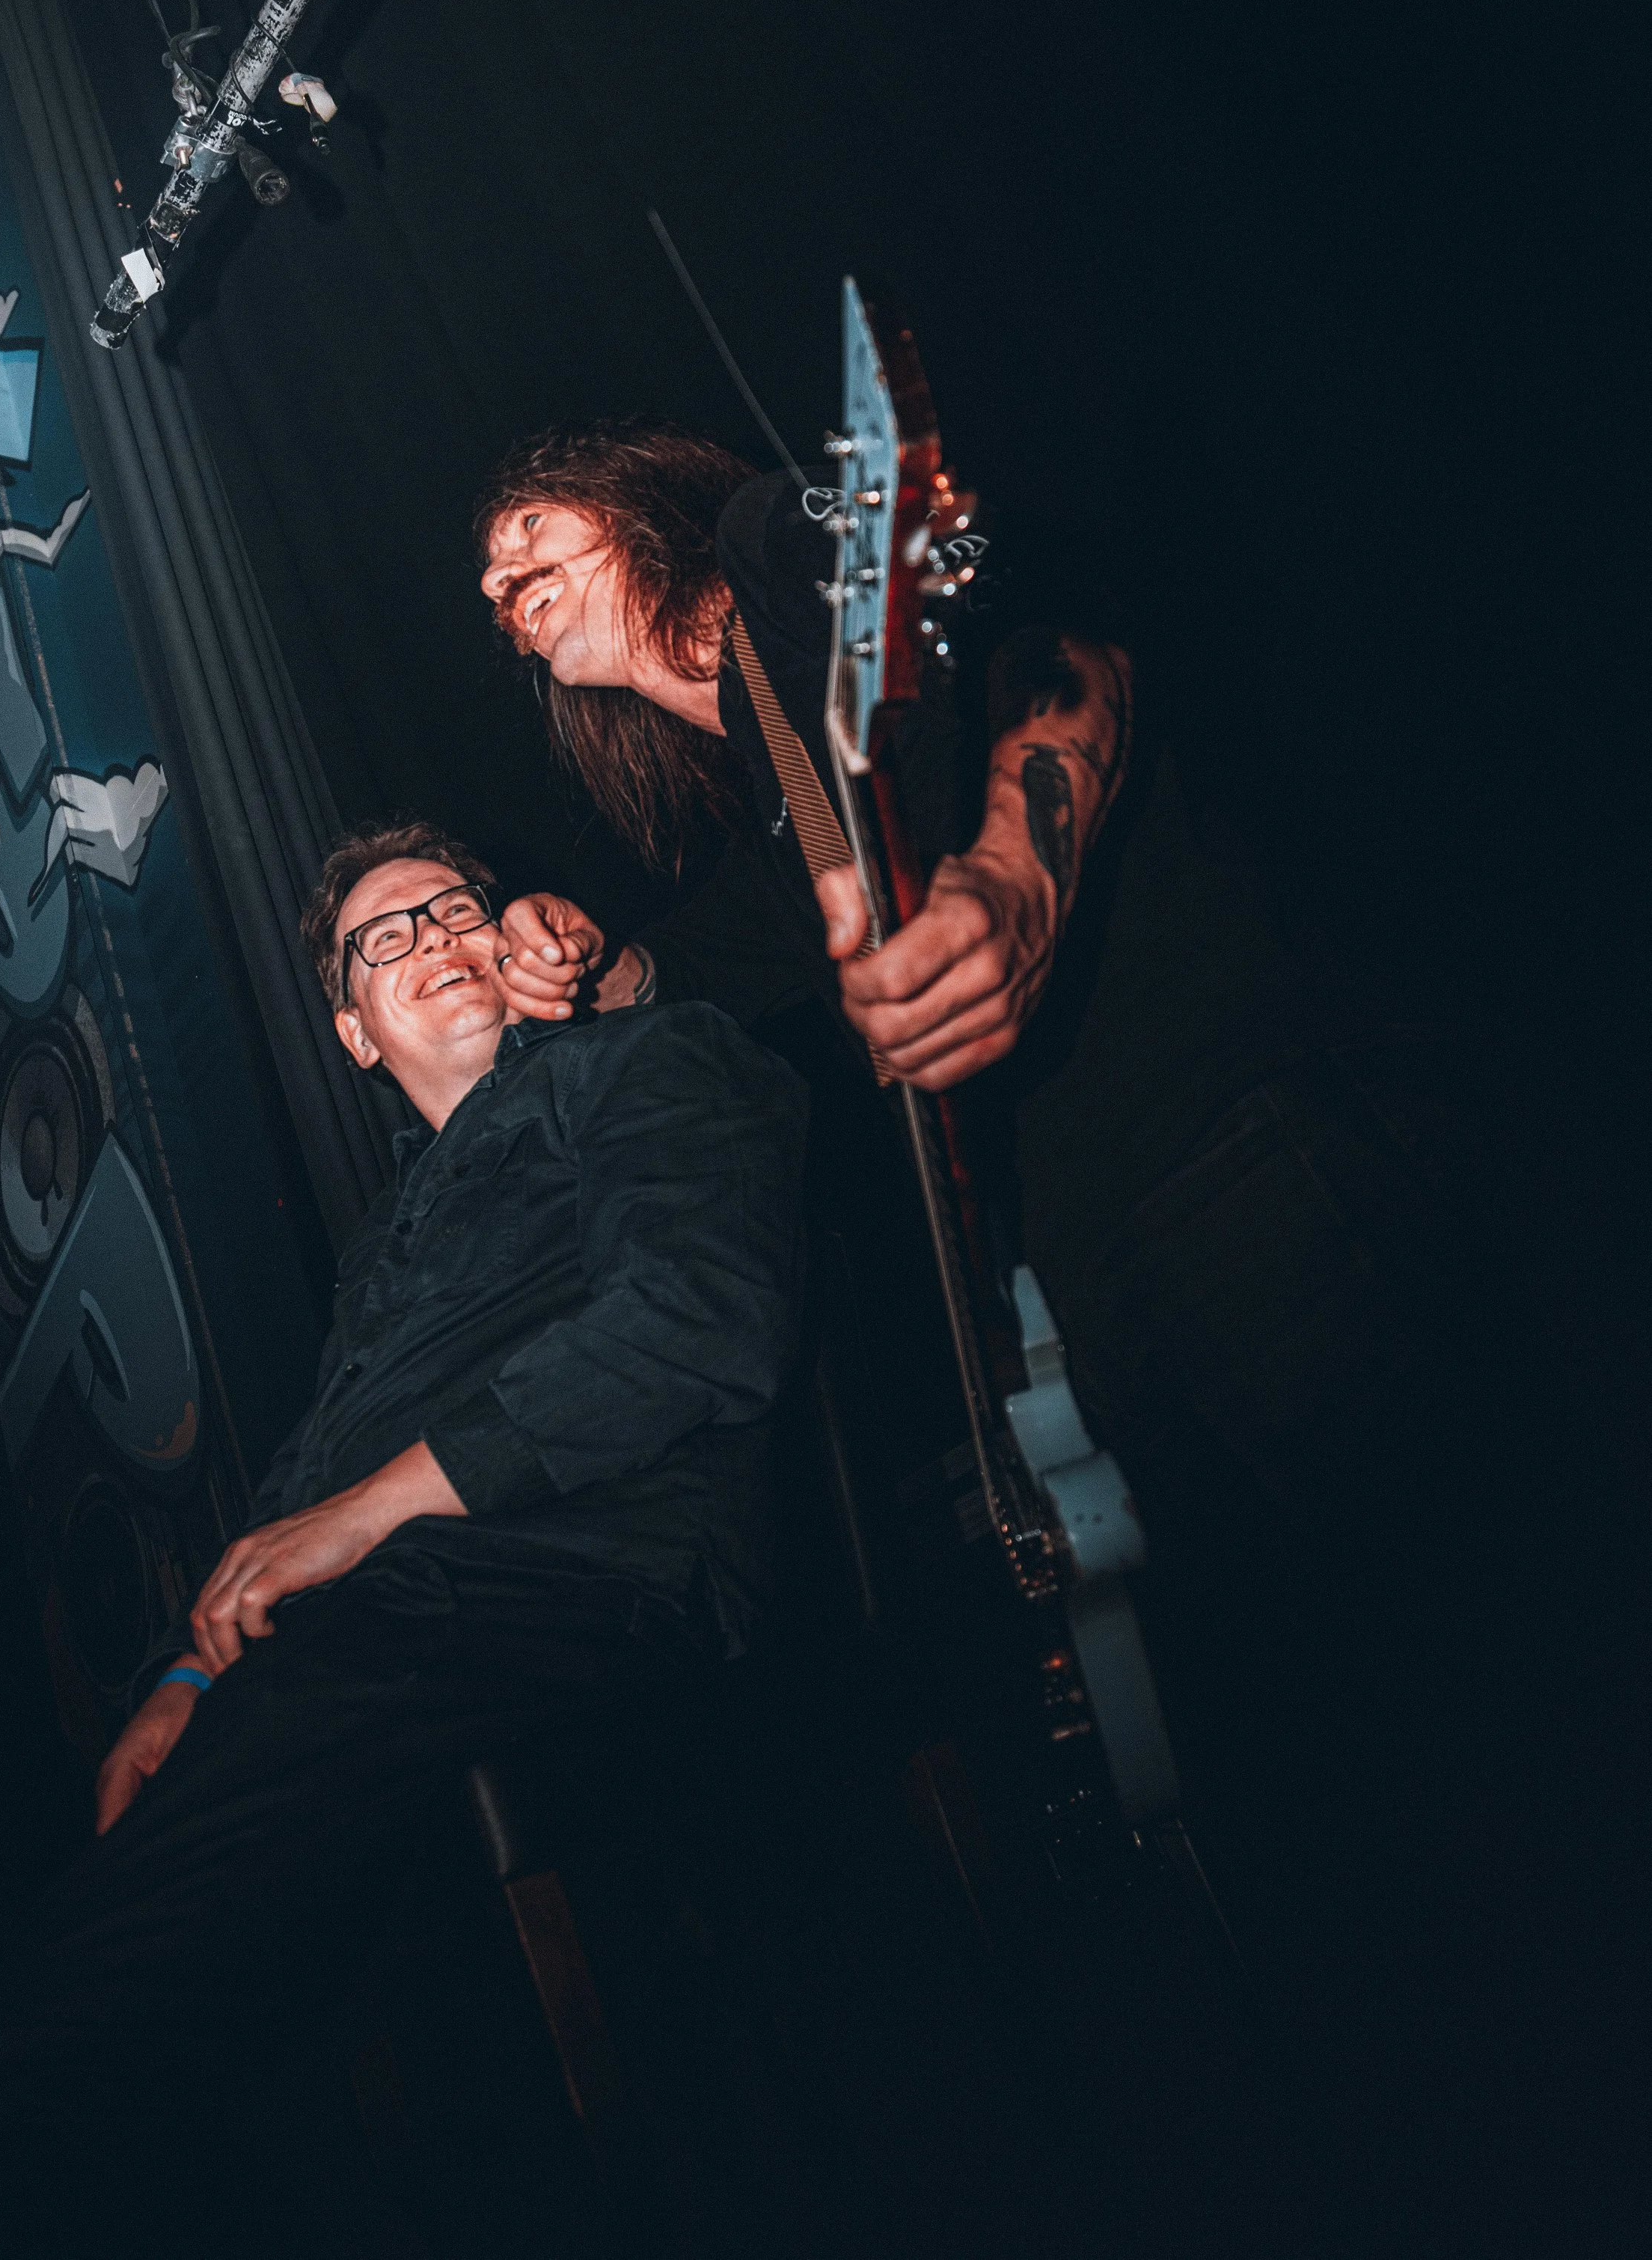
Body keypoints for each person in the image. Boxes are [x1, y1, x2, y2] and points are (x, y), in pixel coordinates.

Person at [471, 420, 1532, 2242]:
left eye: (523, 534)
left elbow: (1065, 651)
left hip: (1240, 1133)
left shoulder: (784, 543)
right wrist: (583, 953)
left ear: (635, 502)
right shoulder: (766, 788)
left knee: (1508, 1640)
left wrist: (1017, 882)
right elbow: (719, 956)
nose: (499, 587)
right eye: (486, 592)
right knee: (1375, 1756)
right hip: (1097, 1268)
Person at [0, 819, 807, 2256]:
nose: (435, 939)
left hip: (592, 1578)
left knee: (69, 2040)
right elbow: (305, 1480)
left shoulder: (654, 1059)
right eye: (385, 937)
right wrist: (183, 1680)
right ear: (354, 1033)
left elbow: (701, 1322)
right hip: (407, 1623)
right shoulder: (391, 1243)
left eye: (455, 906)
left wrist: (364, 1519)